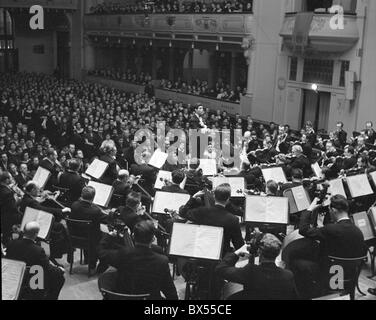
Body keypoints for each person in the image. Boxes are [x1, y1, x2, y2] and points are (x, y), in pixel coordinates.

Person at [98, 220, 178, 300]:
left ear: (133, 236)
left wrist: (109, 236)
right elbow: (170, 291)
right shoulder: (162, 261)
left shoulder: (123, 254)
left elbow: (101, 253)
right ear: (153, 239)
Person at [216, 233, 298, 300]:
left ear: (259, 252)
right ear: (278, 253)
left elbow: (221, 269)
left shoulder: (250, 271)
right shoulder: (288, 275)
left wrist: (236, 253)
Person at [6, 222, 65, 300]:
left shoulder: (12, 243)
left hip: (14, 278)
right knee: (60, 277)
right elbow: (48, 269)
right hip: (32, 283)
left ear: (23, 231)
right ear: (36, 234)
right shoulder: (38, 250)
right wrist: (59, 270)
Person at [180, 183, 244, 255]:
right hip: (221, 255)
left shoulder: (201, 211)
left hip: (201, 251)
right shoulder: (233, 219)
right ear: (228, 199)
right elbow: (239, 246)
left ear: (214, 196)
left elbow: (183, 212)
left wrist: (194, 197)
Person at [70, 186, 108, 273]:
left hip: (75, 237)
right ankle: (98, 266)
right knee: (107, 237)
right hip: (91, 239)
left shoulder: (74, 205)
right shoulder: (95, 211)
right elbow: (106, 219)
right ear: (93, 197)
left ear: (81, 195)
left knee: (88, 230)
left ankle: (87, 259)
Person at [0, 171, 22, 245]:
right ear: (6, 180)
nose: (12, 179)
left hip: (3, 214)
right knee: (26, 217)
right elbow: (13, 208)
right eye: (11, 178)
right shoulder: (7, 192)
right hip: (8, 217)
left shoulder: (3, 188)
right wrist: (19, 200)